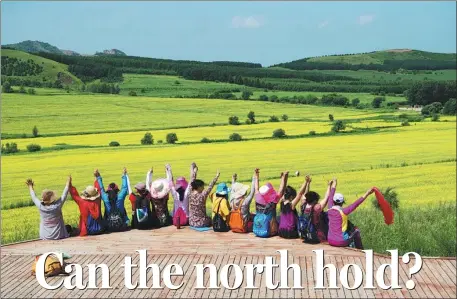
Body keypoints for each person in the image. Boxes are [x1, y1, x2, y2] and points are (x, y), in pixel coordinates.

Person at [327, 184, 374, 249]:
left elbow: (330, 196)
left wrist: (333, 184)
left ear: (333, 201)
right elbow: (356, 203)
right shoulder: (344, 211)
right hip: (341, 241)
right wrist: (367, 193)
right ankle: (361, 250)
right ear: (342, 202)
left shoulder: (329, 208)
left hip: (330, 240)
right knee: (356, 231)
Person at [26, 176, 71, 240]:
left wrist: (30, 186)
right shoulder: (57, 206)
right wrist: (68, 182)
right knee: (68, 227)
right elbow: (64, 194)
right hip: (59, 235)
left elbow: (34, 197)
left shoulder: (41, 206)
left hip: (45, 236)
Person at [253, 169, 288, 236]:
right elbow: (280, 191)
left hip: (258, 229)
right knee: (279, 218)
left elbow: (256, 188)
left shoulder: (257, 198)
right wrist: (283, 178)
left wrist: (256, 175)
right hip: (270, 231)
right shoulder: (272, 202)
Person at [69, 172, 105, 236]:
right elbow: (99, 188)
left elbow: (74, 195)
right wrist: (98, 177)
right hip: (100, 229)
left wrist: (69, 184)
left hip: (88, 231)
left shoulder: (82, 202)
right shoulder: (97, 200)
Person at [278, 174, 312, 239]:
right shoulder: (291, 205)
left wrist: (283, 178)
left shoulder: (281, 202)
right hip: (290, 233)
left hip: (281, 232)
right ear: (291, 197)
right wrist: (305, 182)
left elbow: (282, 190)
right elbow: (300, 194)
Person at [300, 178, 334, 242]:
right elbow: (326, 198)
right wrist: (329, 185)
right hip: (318, 237)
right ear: (315, 200)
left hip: (306, 235)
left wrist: (308, 183)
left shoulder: (303, 205)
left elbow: (305, 195)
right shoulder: (316, 208)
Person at [188, 163, 220, 228]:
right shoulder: (202, 195)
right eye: (202, 186)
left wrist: (194, 172)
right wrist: (216, 177)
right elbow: (210, 186)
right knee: (211, 219)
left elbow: (192, 181)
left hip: (191, 222)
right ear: (199, 187)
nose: (203, 188)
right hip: (201, 223)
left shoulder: (190, 193)